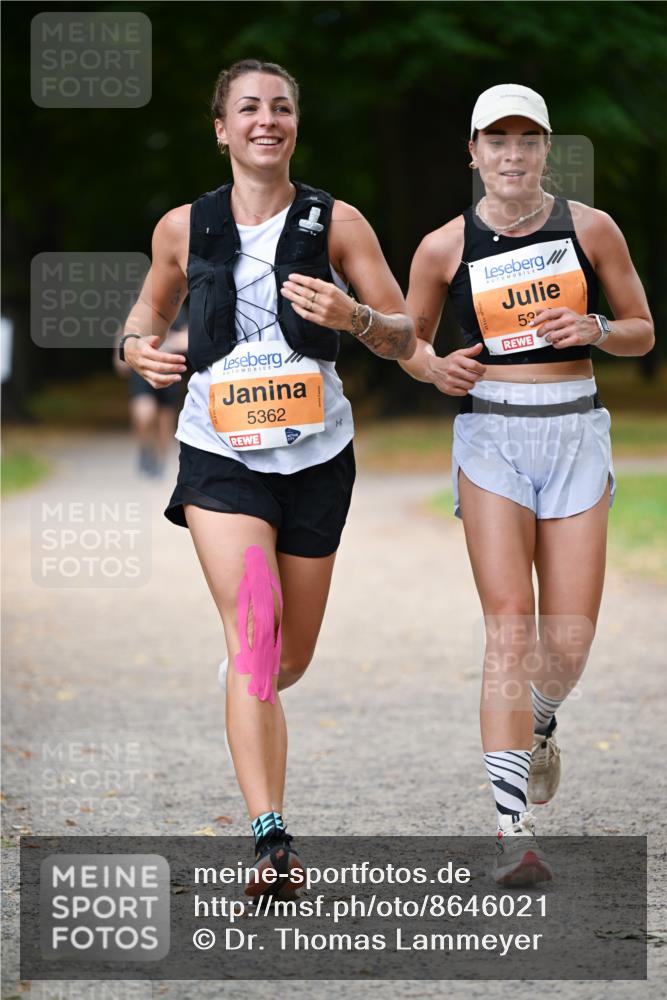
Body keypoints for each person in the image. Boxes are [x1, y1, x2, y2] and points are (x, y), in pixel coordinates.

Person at [118, 59, 415, 895]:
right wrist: (133, 347)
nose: (265, 120)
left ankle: (250, 690)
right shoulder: (184, 226)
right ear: (221, 129)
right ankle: (270, 840)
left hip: (318, 458)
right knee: (254, 637)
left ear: (294, 125)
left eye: (281, 107)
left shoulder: (339, 222)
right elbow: (147, 311)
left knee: (287, 660)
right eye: (247, 108)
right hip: (220, 453)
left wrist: (355, 318)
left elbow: (404, 335)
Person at [401, 84, 654, 885]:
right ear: (471, 151)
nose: (512, 155)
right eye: (495, 140)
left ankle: (540, 721)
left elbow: (642, 328)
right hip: (491, 436)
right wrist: (434, 367)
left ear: (546, 148)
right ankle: (512, 833)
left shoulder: (590, 228)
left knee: (568, 640)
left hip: (576, 429)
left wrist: (599, 330)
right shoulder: (443, 246)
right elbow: (405, 343)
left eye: (528, 140)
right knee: (508, 625)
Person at [113, 308, 188, 477]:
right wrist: (121, 357)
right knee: (144, 413)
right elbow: (122, 337)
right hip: (142, 373)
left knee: (165, 420)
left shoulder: (176, 310)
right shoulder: (135, 310)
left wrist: (166, 344)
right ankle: (144, 449)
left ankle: (160, 460)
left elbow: (187, 338)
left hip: (169, 372)